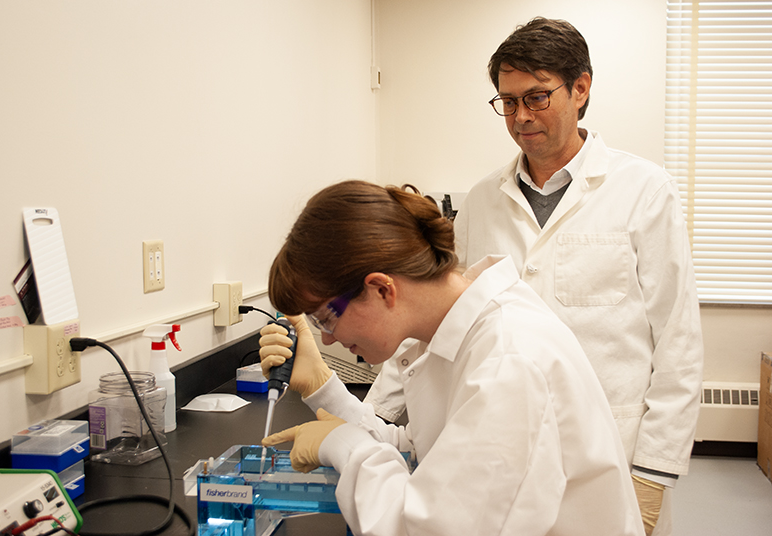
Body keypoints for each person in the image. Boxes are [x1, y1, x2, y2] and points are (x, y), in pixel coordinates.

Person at [364, 17, 704, 536]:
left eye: (537, 97)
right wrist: (371, 421)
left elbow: (679, 341)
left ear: (580, 88)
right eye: (508, 101)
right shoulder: (483, 200)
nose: (521, 116)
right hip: (501, 452)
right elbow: (435, 319)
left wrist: (654, 473)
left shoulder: (645, 190)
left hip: (613, 452)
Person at [258, 180, 643, 536]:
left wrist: (342, 444)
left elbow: (424, 528)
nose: (327, 337)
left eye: (325, 317)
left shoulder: (507, 360)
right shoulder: (464, 333)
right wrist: (323, 388)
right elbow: (428, 452)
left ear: (381, 289)